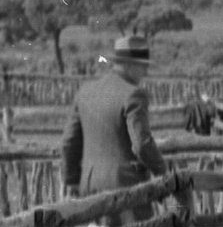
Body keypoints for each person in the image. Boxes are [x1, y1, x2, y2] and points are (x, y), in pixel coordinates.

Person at [62, 33, 169, 199]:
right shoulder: (134, 94)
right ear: (130, 66)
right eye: (143, 66)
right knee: (137, 226)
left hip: (89, 185)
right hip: (125, 188)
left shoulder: (85, 92)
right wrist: (163, 172)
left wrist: (72, 180)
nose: (145, 72)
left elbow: (69, 142)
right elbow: (141, 144)